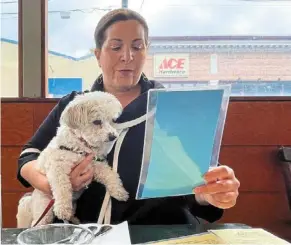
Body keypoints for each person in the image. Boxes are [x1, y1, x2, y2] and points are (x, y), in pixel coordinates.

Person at [17, 8, 240, 225]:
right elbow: (29, 156)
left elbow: (197, 184)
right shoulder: (76, 106)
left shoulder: (171, 106)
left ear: (146, 51)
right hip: (85, 230)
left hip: (158, 230)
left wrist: (216, 191)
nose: (127, 56)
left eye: (137, 46)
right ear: (98, 55)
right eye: (115, 47)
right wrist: (52, 184)